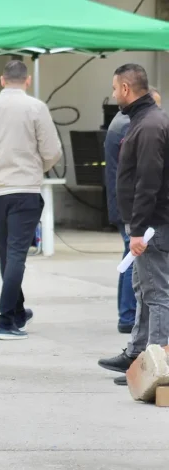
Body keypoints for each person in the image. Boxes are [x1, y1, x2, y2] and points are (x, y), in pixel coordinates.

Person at [0, 60, 62, 340]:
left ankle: (17, 310)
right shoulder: (36, 108)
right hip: (25, 187)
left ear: (2, 80)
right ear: (27, 80)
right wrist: (36, 167)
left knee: (7, 253)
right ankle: (5, 320)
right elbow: (52, 151)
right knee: (17, 255)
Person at [98, 64, 169, 387]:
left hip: (152, 225)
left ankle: (155, 366)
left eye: (115, 88)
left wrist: (138, 230)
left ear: (126, 88)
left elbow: (148, 181)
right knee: (144, 290)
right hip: (147, 224)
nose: (114, 94)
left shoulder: (150, 125)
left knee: (157, 294)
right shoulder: (145, 121)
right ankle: (137, 355)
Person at [104, 86, 162, 336]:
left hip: (125, 204)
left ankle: (126, 314)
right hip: (133, 207)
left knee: (131, 258)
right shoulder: (132, 126)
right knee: (135, 260)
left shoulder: (123, 123)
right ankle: (128, 315)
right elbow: (145, 173)